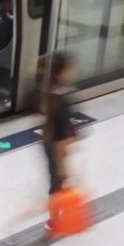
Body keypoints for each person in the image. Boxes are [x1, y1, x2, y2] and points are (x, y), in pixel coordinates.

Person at [40, 52, 79, 197]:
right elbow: (60, 137)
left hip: (49, 143)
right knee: (57, 182)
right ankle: (55, 207)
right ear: (61, 73)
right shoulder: (62, 101)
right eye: (69, 68)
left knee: (55, 178)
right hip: (55, 146)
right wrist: (61, 165)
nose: (74, 70)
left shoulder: (52, 92)